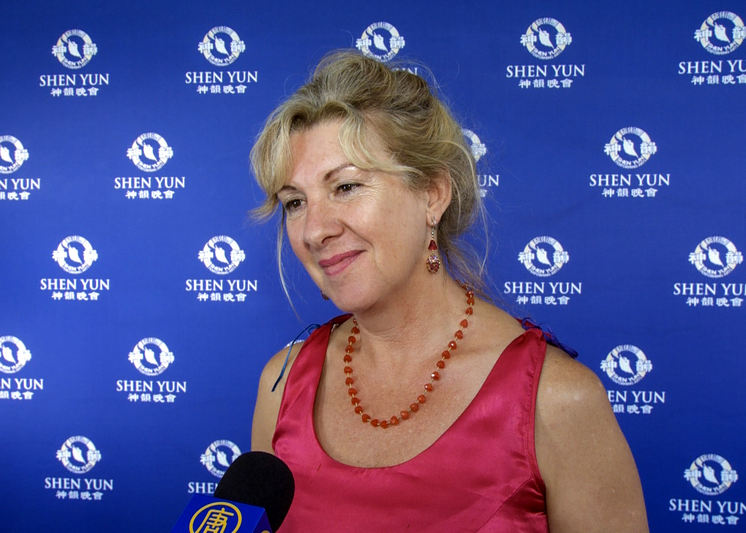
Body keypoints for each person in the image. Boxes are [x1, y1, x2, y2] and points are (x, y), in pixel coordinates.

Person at [250, 50, 649, 532]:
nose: (315, 230)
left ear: (433, 194)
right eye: (295, 202)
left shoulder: (556, 398)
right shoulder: (282, 383)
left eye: (347, 187)